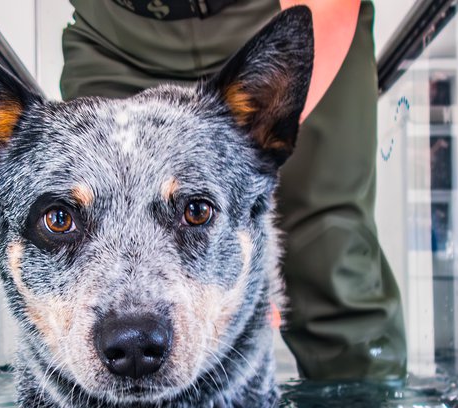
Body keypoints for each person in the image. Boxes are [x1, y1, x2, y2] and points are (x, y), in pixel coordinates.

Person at [59, 0, 406, 380]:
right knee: (108, 281)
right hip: (117, 35)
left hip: (279, 15)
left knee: (330, 256)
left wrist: (241, 196)